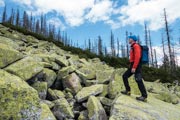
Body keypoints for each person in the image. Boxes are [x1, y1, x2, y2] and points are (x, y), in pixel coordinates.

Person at [121, 35, 148, 102]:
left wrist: (134, 67)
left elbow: (137, 57)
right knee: (125, 76)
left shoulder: (136, 46)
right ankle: (128, 91)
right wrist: (131, 66)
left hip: (137, 65)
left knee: (138, 80)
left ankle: (144, 96)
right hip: (133, 65)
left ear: (132, 39)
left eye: (129, 39)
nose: (128, 40)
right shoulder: (133, 47)